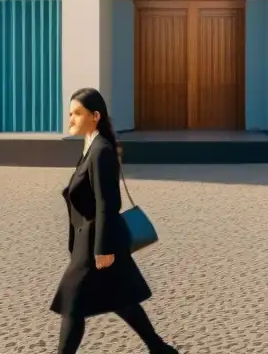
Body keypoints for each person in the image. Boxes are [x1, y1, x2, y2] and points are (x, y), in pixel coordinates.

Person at [50, 87, 179, 354]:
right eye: (69, 113)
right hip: (90, 239)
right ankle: (160, 349)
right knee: (121, 298)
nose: (70, 119)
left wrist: (103, 249)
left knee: (73, 305)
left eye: (76, 113)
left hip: (97, 241)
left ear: (94, 116)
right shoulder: (91, 146)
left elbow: (108, 203)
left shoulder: (101, 151)